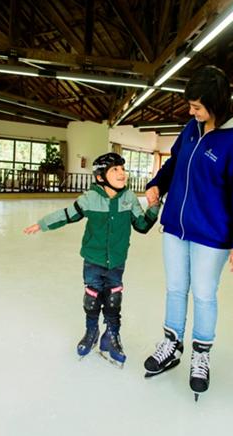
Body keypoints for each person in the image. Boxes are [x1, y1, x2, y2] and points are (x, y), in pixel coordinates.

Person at [143, 65, 233, 399]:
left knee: (204, 295)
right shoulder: (191, 129)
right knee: (176, 289)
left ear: (218, 103)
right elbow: (173, 164)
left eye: (197, 106)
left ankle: (201, 355)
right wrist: (156, 186)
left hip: (212, 236)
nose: (191, 112)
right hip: (175, 229)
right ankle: (171, 343)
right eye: (190, 106)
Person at [24, 152, 160, 367]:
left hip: (116, 260)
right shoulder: (90, 198)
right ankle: (91, 332)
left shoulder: (129, 198)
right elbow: (67, 214)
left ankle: (112, 336)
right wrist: (42, 224)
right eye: (115, 169)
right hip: (93, 259)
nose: (121, 173)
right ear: (100, 177)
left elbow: (142, 226)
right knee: (92, 298)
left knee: (114, 300)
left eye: (122, 169)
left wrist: (154, 207)